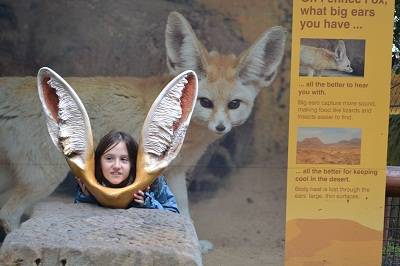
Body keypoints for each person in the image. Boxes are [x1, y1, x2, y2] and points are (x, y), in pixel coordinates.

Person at [74, 130, 179, 213]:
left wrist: (148, 203)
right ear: (99, 162)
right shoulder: (90, 183)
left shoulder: (153, 183)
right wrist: (86, 198)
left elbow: (173, 214)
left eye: (124, 159)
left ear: (133, 163)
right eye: (109, 158)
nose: (116, 166)